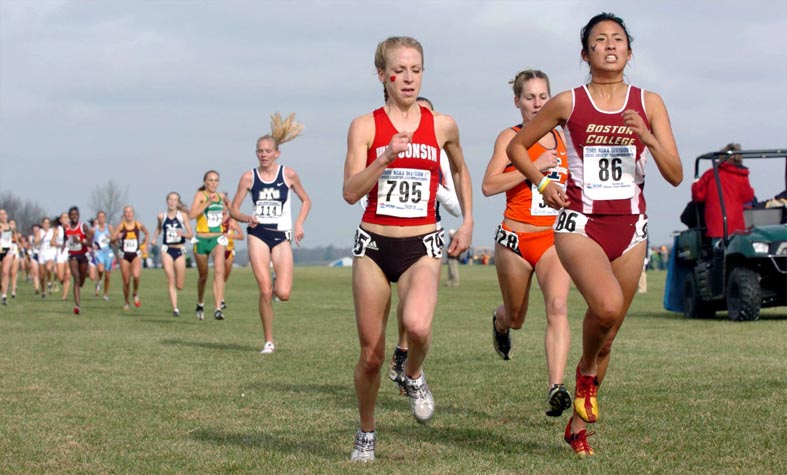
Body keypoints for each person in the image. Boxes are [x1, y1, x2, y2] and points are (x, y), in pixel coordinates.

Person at [507, 13, 682, 457]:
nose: (609, 45)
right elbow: (516, 148)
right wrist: (544, 185)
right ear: (585, 53)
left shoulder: (650, 102)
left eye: (618, 39)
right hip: (579, 222)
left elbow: (675, 174)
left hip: (631, 226)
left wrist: (646, 135)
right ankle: (583, 373)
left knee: (609, 335)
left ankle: (577, 429)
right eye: (599, 40)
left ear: (629, 51)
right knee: (604, 307)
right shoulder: (569, 101)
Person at [342, 36, 473, 462]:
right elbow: (349, 192)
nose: (409, 78)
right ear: (382, 75)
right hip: (374, 245)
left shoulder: (442, 124)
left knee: (417, 327)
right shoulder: (365, 126)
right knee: (371, 355)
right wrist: (383, 160)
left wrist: (468, 219)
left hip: (422, 243)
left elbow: (459, 166)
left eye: (416, 69)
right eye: (399, 70)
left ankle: (413, 373)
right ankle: (366, 432)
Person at [481, 68, 572, 417]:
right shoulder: (511, 136)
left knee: (558, 307)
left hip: (553, 239)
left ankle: (555, 386)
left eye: (543, 96)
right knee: (516, 317)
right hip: (514, 239)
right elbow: (489, 185)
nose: (537, 104)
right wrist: (532, 165)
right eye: (530, 97)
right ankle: (499, 322)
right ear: (517, 101)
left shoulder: (565, 137)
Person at [385, 96, 463, 391]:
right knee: (404, 303)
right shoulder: (390, 145)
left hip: (429, 235)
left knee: (416, 309)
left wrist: (435, 187)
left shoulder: (440, 155)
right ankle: (401, 349)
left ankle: (408, 362)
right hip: (391, 235)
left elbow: (456, 205)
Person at [229, 112, 312, 353]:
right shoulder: (248, 177)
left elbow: (306, 200)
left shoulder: (288, 174)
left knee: (283, 293)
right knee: (265, 290)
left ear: (277, 153)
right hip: (258, 234)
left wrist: (298, 223)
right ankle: (268, 340)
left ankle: (276, 284)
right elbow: (233, 209)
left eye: (267, 151)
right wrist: (246, 217)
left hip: (281, 235)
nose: (263, 155)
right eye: (259, 151)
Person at [691, 143, 755, 240]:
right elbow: (748, 197)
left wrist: (695, 183)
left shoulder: (711, 174)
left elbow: (698, 195)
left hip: (717, 224)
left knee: (718, 251)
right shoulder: (742, 175)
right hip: (736, 224)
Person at [188, 170, 229, 321]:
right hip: (201, 239)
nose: (213, 183)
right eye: (210, 180)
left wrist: (224, 214)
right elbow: (191, 215)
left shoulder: (221, 196)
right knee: (203, 276)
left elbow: (228, 211)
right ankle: (200, 303)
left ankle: (218, 308)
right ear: (205, 182)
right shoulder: (201, 195)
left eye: (216, 180)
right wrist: (208, 202)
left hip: (217, 238)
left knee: (219, 270)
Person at [152, 192, 193, 316]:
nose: (172, 202)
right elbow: (159, 228)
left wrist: (183, 234)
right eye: (170, 199)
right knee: (171, 279)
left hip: (179, 250)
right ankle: (175, 308)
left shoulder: (183, 216)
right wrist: (154, 238)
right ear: (167, 201)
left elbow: (191, 234)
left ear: (178, 202)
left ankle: (177, 291)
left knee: (179, 285)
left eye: (175, 200)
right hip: (167, 250)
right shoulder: (161, 216)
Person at [110, 205, 150, 311]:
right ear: (124, 214)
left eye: (130, 212)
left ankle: (135, 293)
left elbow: (147, 233)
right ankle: (126, 301)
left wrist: (145, 246)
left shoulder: (138, 224)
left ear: (133, 213)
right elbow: (112, 239)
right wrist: (117, 237)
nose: (128, 214)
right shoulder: (121, 225)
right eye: (126, 212)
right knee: (126, 281)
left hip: (135, 254)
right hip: (124, 255)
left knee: (136, 276)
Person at [64, 206, 94, 314]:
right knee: (76, 279)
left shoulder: (83, 227)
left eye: (76, 214)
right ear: (69, 216)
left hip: (83, 255)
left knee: (81, 282)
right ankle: (77, 306)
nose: (74, 216)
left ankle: (84, 275)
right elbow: (65, 240)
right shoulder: (67, 229)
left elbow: (90, 243)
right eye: (72, 215)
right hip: (73, 256)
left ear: (79, 215)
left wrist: (80, 241)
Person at [220, 209, 244, 310]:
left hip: (229, 250)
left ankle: (220, 296)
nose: (221, 208)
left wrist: (229, 235)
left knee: (224, 277)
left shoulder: (232, 220)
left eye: (223, 205)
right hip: (218, 250)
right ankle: (220, 300)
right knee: (219, 275)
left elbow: (241, 236)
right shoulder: (214, 220)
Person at [92, 211, 115, 301]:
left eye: (103, 217)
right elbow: (89, 239)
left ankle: (105, 294)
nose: (101, 218)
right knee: (101, 269)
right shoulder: (94, 229)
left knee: (108, 276)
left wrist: (110, 238)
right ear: (97, 218)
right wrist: (92, 244)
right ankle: (99, 281)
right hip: (99, 252)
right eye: (99, 217)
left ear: (105, 218)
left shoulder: (109, 227)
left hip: (108, 252)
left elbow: (114, 240)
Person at [52, 212, 72, 300]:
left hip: (69, 252)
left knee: (68, 274)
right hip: (60, 252)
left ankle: (64, 296)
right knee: (61, 276)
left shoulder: (72, 229)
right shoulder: (57, 230)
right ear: (60, 220)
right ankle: (60, 282)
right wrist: (59, 245)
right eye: (63, 217)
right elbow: (52, 242)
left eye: (67, 217)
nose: (65, 219)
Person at [36, 217, 56, 298]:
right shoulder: (40, 232)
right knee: (41, 275)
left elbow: (54, 241)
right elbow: (36, 242)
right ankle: (43, 291)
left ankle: (49, 282)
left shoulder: (52, 231)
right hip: (42, 253)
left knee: (48, 268)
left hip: (50, 252)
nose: (46, 225)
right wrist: (41, 239)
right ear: (42, 224)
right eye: (45, 223)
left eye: (48, 223)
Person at [0, 209, 15, 305]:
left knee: (5, 272)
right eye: (0, 214)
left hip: (7, 250)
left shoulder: (10, 226)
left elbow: (10, 238)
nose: (3, 216)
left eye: (4, 214)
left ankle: (4, 296)